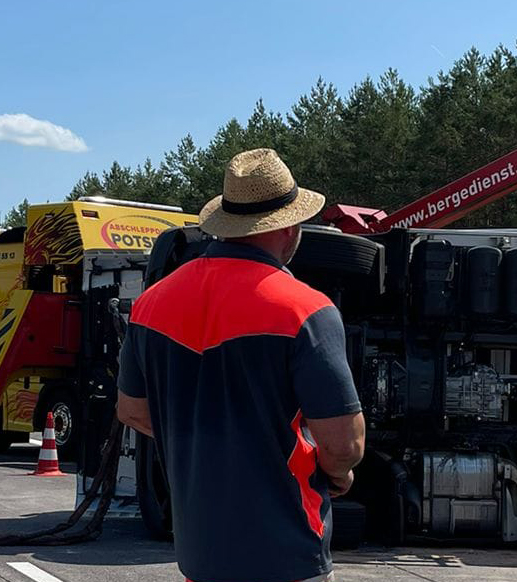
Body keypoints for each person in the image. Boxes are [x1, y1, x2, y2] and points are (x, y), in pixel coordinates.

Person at [116, 148, 365, 582]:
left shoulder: (150, 305)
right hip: (285, 553)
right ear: (289, 227)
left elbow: (131, 410)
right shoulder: (306, 310)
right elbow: (343, 444)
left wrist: (206, 444)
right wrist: (336, 473)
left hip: (200, 552)